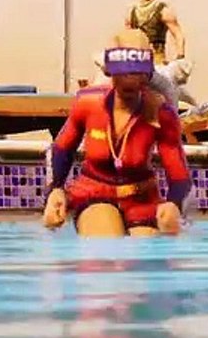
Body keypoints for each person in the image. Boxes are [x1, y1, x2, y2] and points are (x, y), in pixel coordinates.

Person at [42, 29, 191, 237]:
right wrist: (55, 190)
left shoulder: (162, 115)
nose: (129, 81)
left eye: (136, 73)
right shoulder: (88, 103)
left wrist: (174, 204)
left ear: (147, 76)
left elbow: (178, 171)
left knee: (146, 250)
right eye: (122, 74)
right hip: (94, 193)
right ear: (111, 73)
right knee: (106, 244)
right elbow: (61, 150)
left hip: (141, 198)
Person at [126, 0, 186, 65]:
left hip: (156, 57)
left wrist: (180, 55)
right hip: (137, 57)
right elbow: (126, 36)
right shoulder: (132, 11)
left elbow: (178, 33)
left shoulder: (163, 10)